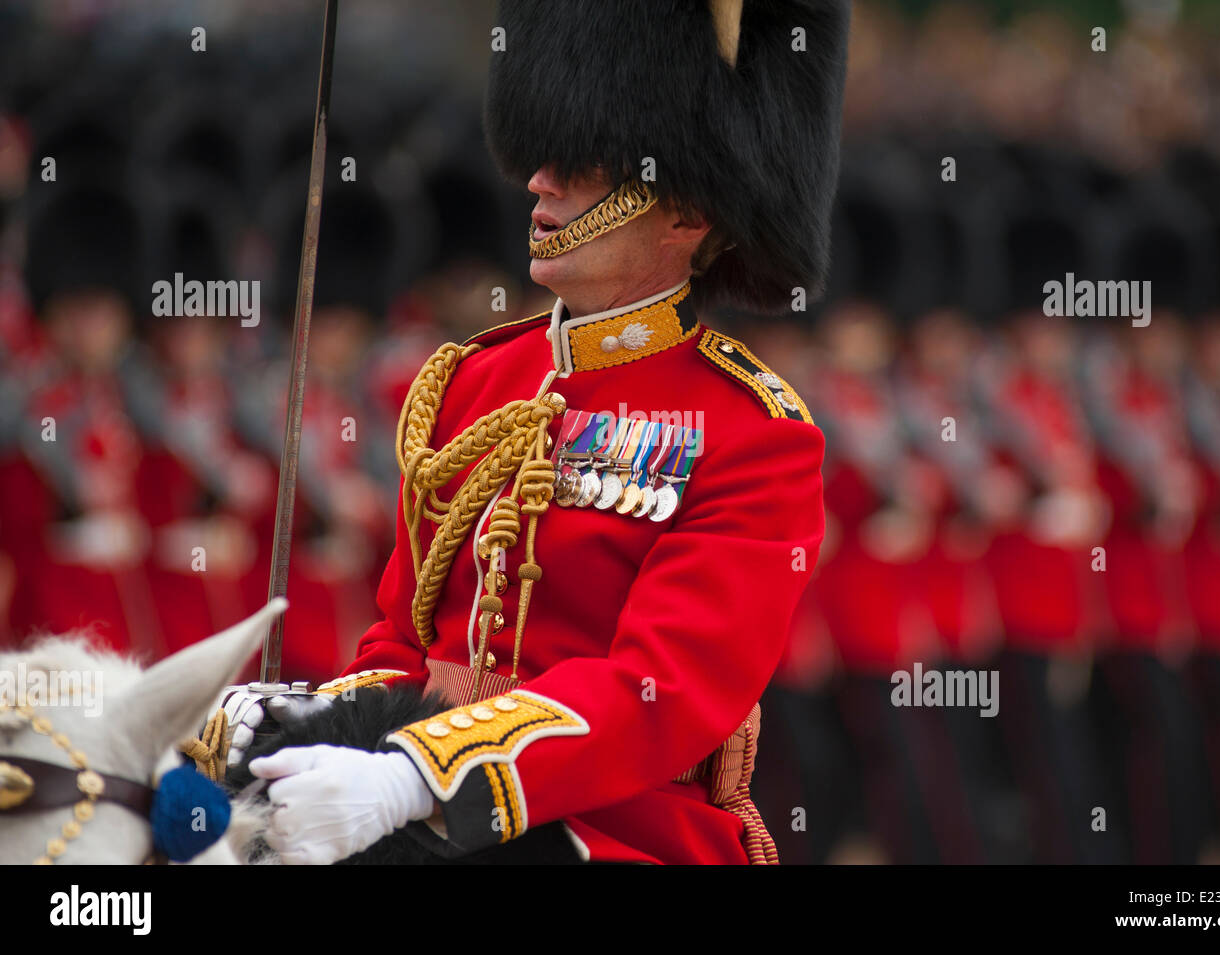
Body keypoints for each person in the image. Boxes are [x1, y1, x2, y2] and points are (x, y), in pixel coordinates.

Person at [218, 0, 849, 865]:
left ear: (688, 211)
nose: (539, 182)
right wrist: (320, 719)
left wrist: (422, 776)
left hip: (620, 830)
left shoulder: (754, 432)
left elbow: (655, 694)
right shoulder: (473, 381)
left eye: (582, 166)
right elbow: (405, 642)